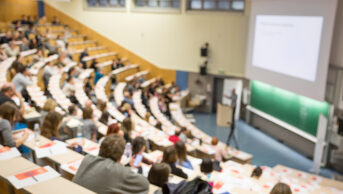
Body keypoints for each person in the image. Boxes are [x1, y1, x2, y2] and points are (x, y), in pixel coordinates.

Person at [73, 134, 149, 194]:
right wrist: (132, 168)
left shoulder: (87, 158)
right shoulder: (119, 171)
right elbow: (145, 185)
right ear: (120, 156)